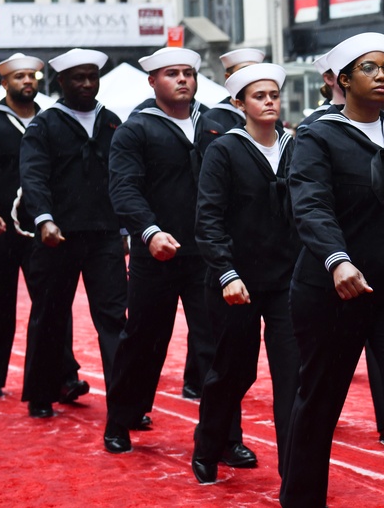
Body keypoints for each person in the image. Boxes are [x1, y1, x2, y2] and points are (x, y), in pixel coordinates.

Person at [280, 33, 384, 508]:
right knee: (320, 401)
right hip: (331, 290)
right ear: (343, 80)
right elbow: (311, 205)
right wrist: (337, 260)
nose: (383, 76)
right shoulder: (317, 135)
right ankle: (301, 499)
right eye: (369, 68)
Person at [103, 48, 250, 467]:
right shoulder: (135, 130)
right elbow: (124, 189)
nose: (184, 80)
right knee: (143, 340)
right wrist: (148, 232)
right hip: (157, 254)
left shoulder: (215, 124)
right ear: (153, 81)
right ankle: (120, 419)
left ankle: (225, 437)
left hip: (209, 256)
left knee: (216, 347)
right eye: (173, 74)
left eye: (189, 72)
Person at [191, 63, 301, 484]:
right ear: (239, 104)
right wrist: (225, 272)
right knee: (235, 370)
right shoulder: (224, 150)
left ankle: (295, 472)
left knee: (292, 376)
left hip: (287, 281)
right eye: (260, 96)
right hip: (234, 280)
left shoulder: (295, 145)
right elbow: (209, 218)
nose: (270, 102)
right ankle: (209, 443)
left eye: (274, 95)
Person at [0, 53, 83, 401]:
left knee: (51, 301)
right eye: (19, 77)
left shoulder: (50, 122)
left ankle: (63, 376)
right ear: (5, 84)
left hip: (40, 226)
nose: (27, 82)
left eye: (31, 76)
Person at [18, 48, 128, 418]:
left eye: (91, 77)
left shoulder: (113, 123)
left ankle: (125, 401)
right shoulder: (44, 124)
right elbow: (32, 175)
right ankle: (41, 393)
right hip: (57, 237)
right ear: (60, 82)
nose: (85, 84)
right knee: (50, 314)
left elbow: (125, 178)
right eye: (77, 78)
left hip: (105, 236)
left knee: (114, 319)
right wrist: (44, 219)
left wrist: (126, 227)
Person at [203, 48, 265, 130]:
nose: (251, 77)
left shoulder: (268, 114)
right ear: (228, 77)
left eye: (255, 72)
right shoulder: (211, 119)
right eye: (243, 72)